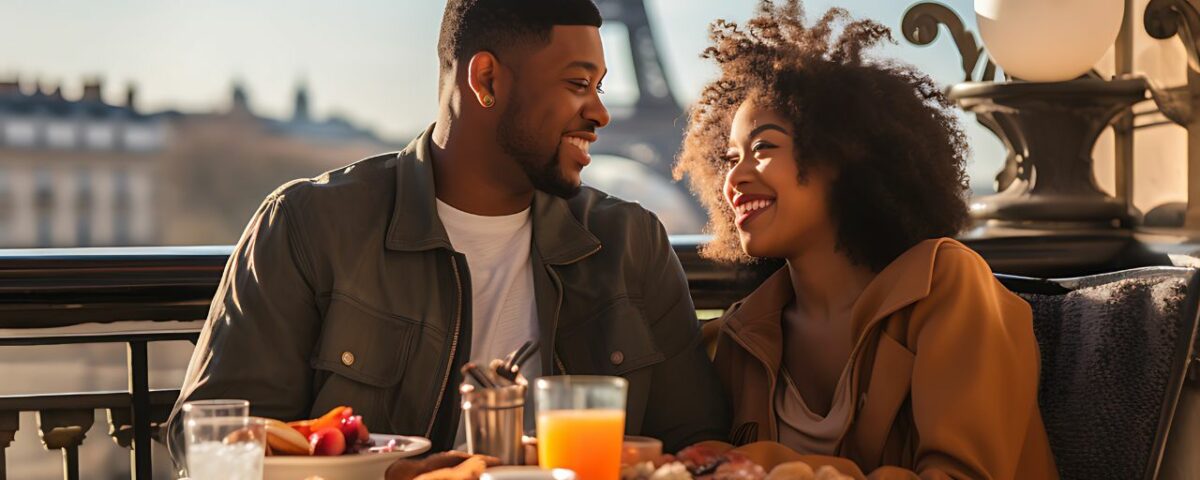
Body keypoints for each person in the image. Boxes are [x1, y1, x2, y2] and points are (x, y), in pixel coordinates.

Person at [167, 0, 729, 466]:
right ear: (485, 79)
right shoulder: (305, 227)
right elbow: (213, 453)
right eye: (579, 83)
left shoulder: (634, 243)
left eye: (601, 86)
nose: (600, 113)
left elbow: (699, 451)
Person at [674, 1, 1059, 478]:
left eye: (763, 148)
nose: (736, 178)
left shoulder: (945, 287)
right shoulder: (739, 337)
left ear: (844, 157)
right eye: (730, 158)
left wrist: (762, 465)